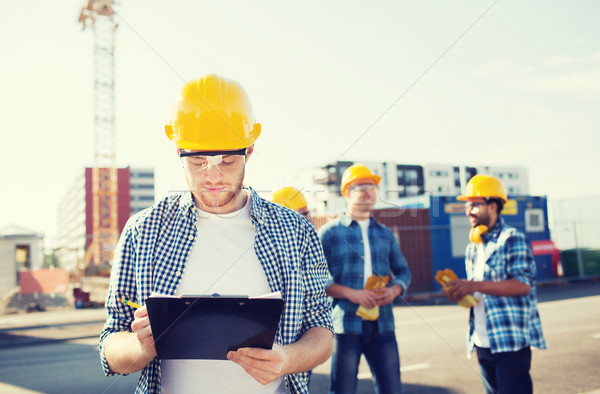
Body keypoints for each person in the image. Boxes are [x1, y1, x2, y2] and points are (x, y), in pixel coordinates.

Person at [99, 74, 333, 394]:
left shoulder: (295, 231)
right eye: (197, 161)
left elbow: (321, 328)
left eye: (226, 160)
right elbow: (111, 349)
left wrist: (289, 358)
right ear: (178, 150)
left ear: (249, 150)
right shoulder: (143, 231)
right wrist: (143, 346)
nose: (213, 176)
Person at [443, 174, 546, 394]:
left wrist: (475, 285)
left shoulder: (512, 238)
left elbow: (522, 285)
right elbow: (477, 293)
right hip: (481, 340)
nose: (468, 210)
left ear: (493, 206)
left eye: (474, 205)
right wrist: (459, 293)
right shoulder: (473, 247)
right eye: (467, 205)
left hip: (509, 341)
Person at [317, 164, 411, 394]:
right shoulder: (329, 234)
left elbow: (403, 271)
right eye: (363, 188)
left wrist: (395, 290)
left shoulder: (385, 234)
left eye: (373, 189)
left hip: (383, 324)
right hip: (345, 324)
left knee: (391, 389)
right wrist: (352, 293)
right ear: (347, 192)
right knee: (343, 389)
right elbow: (315, 278)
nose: (370, 193)